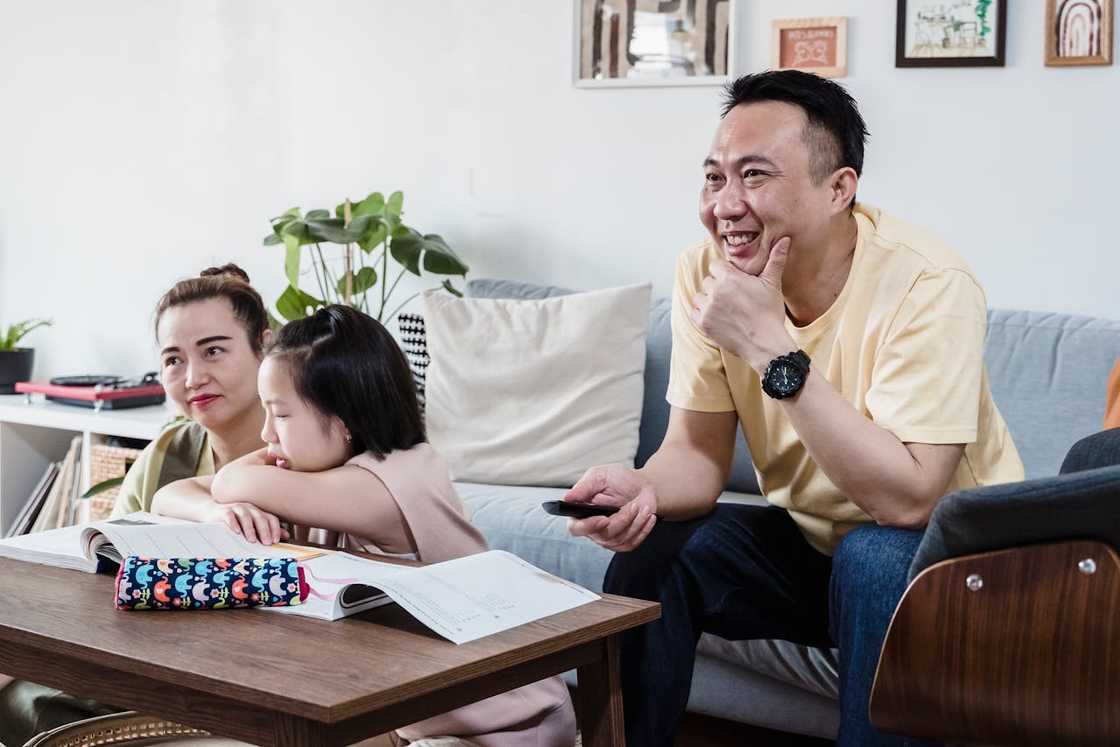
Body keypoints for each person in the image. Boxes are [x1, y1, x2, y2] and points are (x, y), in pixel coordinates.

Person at [563, 70, 1025, 746]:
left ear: (839, 188)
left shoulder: (928, 284)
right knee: (658, 550)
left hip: (960, 567)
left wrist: (772, 347)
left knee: (872, 554)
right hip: (820, 551)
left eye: (754, 176)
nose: (726, 204)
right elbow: (696, 453)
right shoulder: (705, 272)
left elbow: (911, 500)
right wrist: (644, 487)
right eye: (714, 177)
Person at [152, 305, 577, 747]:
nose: (265, 435)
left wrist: (226, 491)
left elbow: (229, 479)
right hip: (408, 709)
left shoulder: (391, 483)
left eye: (279, 414)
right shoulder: (318, 471)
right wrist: (214, 512)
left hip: (504, 718)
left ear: (343, 420)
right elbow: (169, 495)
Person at [0, 264, 279, 747]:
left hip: (241, 681)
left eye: (214, 350)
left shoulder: (305, 451)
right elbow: (96, 576)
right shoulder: (167, 454)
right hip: (144, 658)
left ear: (264, 348)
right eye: (173, 359)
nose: (193, 377)